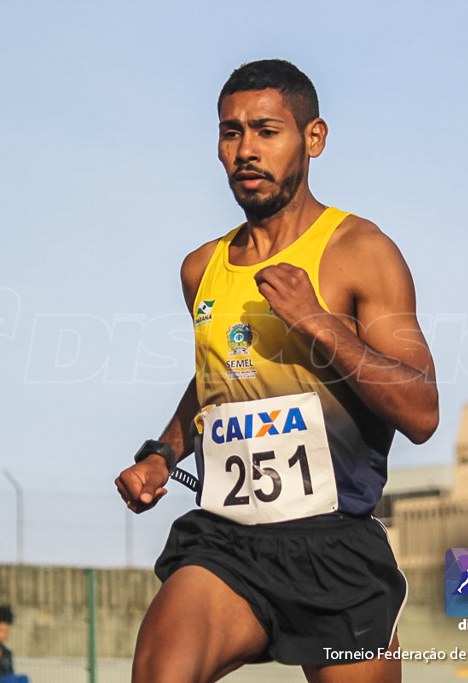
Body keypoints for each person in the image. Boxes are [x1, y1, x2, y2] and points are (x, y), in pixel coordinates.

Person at [114, 58, 438, 683]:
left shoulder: (360, 251)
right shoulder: (201, 268)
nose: (245, 150)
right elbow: (215, 381)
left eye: (267, 130)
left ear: (312, 138)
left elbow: (421, 411)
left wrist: (317, 322)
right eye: (231, 132)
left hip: (335, 548)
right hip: (227, 542)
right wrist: (162, 454)